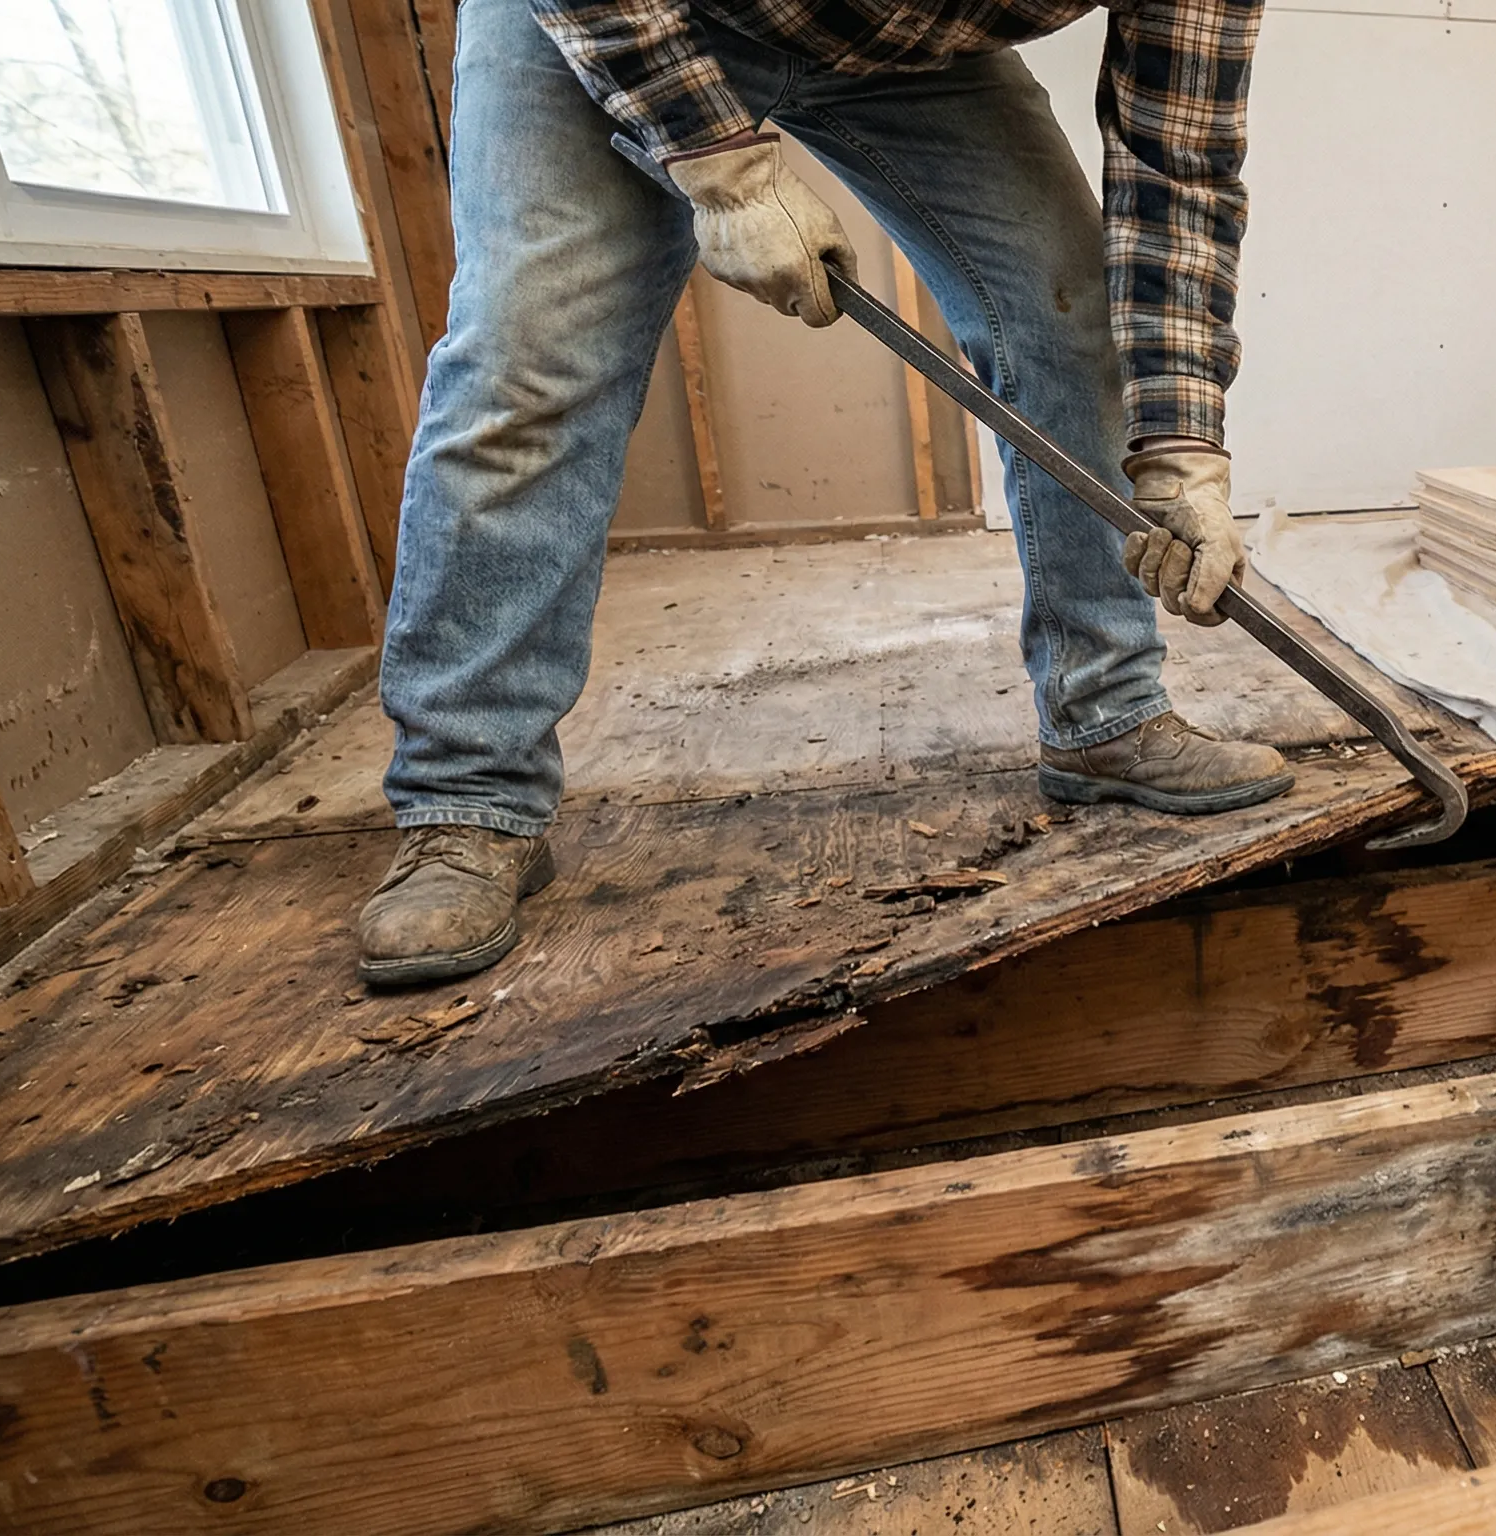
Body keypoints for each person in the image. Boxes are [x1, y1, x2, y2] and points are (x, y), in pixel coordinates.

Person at [356, 0, 1287, 988]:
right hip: (619, 14)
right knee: (530, 367)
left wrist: (1185, 450)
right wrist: (720, 166)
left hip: (896, 44)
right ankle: (467, 796)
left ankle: (1105, 716)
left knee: (1069, 319)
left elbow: (1175, 164)